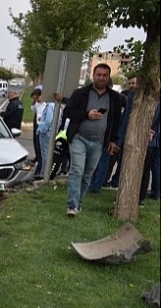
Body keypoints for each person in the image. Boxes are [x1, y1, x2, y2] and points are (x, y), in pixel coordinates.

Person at [62, 63, 121, 217]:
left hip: (99, 142)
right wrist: (86, 115)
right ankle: (72, 205)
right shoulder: (80, 93)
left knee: (88, 174)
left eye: (104, 75)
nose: (101, 78)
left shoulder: (114, 97)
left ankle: (79, 203)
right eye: (98, 74)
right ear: (93, 75)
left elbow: (116, 121)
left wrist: (113, 140)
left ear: (108, 77)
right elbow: (68, 111)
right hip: (79, 138)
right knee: (77, 170)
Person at [107, 76, 138, 188]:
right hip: (121, 132)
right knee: (113, 157)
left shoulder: (137, 98)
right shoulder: (126, 95)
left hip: (131, 134)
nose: (131, 86)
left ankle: (115, 181)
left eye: (133, 83)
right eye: (129, 83)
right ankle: (108, 180)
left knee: (121, 161)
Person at [139, 102, 161, 204]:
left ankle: (145, 194)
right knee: (154, 166)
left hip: (150, 138)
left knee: (147, 167)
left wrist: (152, 132)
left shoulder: (155, 102)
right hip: (154, 139)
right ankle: (155, 192)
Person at [30, 87, 46, 178]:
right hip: (37, 126)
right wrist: (33, 103)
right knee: (37, 146)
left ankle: (40, 168)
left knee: (41, 149)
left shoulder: (45, 104)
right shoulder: (37, 104)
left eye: (37, 98)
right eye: (34, 98)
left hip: (42, 127)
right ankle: (39, 164)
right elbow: (34, 109)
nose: (36, 100)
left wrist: (42, 119)